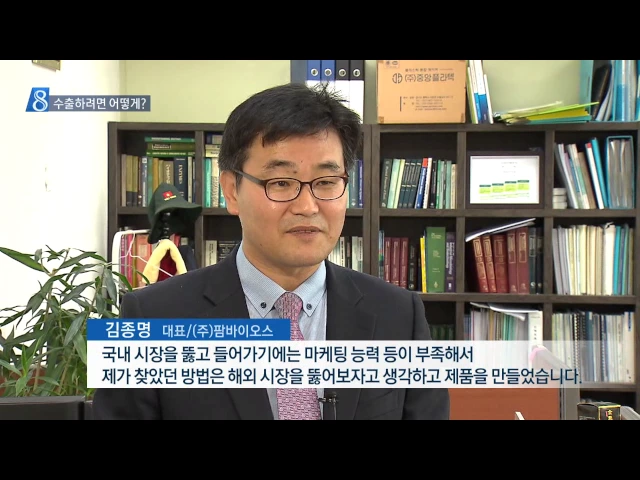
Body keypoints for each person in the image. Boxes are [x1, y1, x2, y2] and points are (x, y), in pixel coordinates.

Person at [92, 82, 450, 420]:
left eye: (327, 182)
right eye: (281, 182)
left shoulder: (399, 316)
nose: (307, 206)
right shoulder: (152, 319)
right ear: (231, 190)